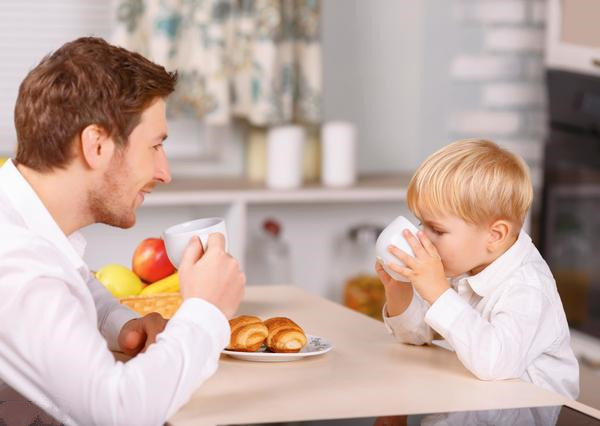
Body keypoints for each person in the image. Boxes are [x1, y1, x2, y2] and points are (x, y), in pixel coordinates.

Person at [0, 37, 245, 425]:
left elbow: (72, 282)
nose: (164, 173)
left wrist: (122, 325)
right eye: (155, 146)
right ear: (96, 145)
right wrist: (206, 311)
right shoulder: (17, 263)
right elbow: (117, 412)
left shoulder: (19, 223)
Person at [376, 139, 579, 399]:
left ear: (495, 235)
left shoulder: (527, 289)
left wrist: (438, 293)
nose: (422, 238)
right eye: (420, 223)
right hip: (466, 404)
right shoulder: (465, 264)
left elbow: (494, 363)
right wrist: (400, 293)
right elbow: (417, 336)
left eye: (437, 229)